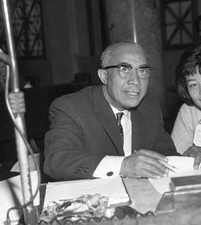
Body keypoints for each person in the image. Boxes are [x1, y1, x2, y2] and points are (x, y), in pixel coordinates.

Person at [44, 41, 180, 181]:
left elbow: (166, 155)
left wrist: (191, 161)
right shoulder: (71, 107)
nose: (136, 80)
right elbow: (57, 161)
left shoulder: (149, 108)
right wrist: (122, 166)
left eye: (142, 71)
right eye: (125, 69)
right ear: (104, 76)